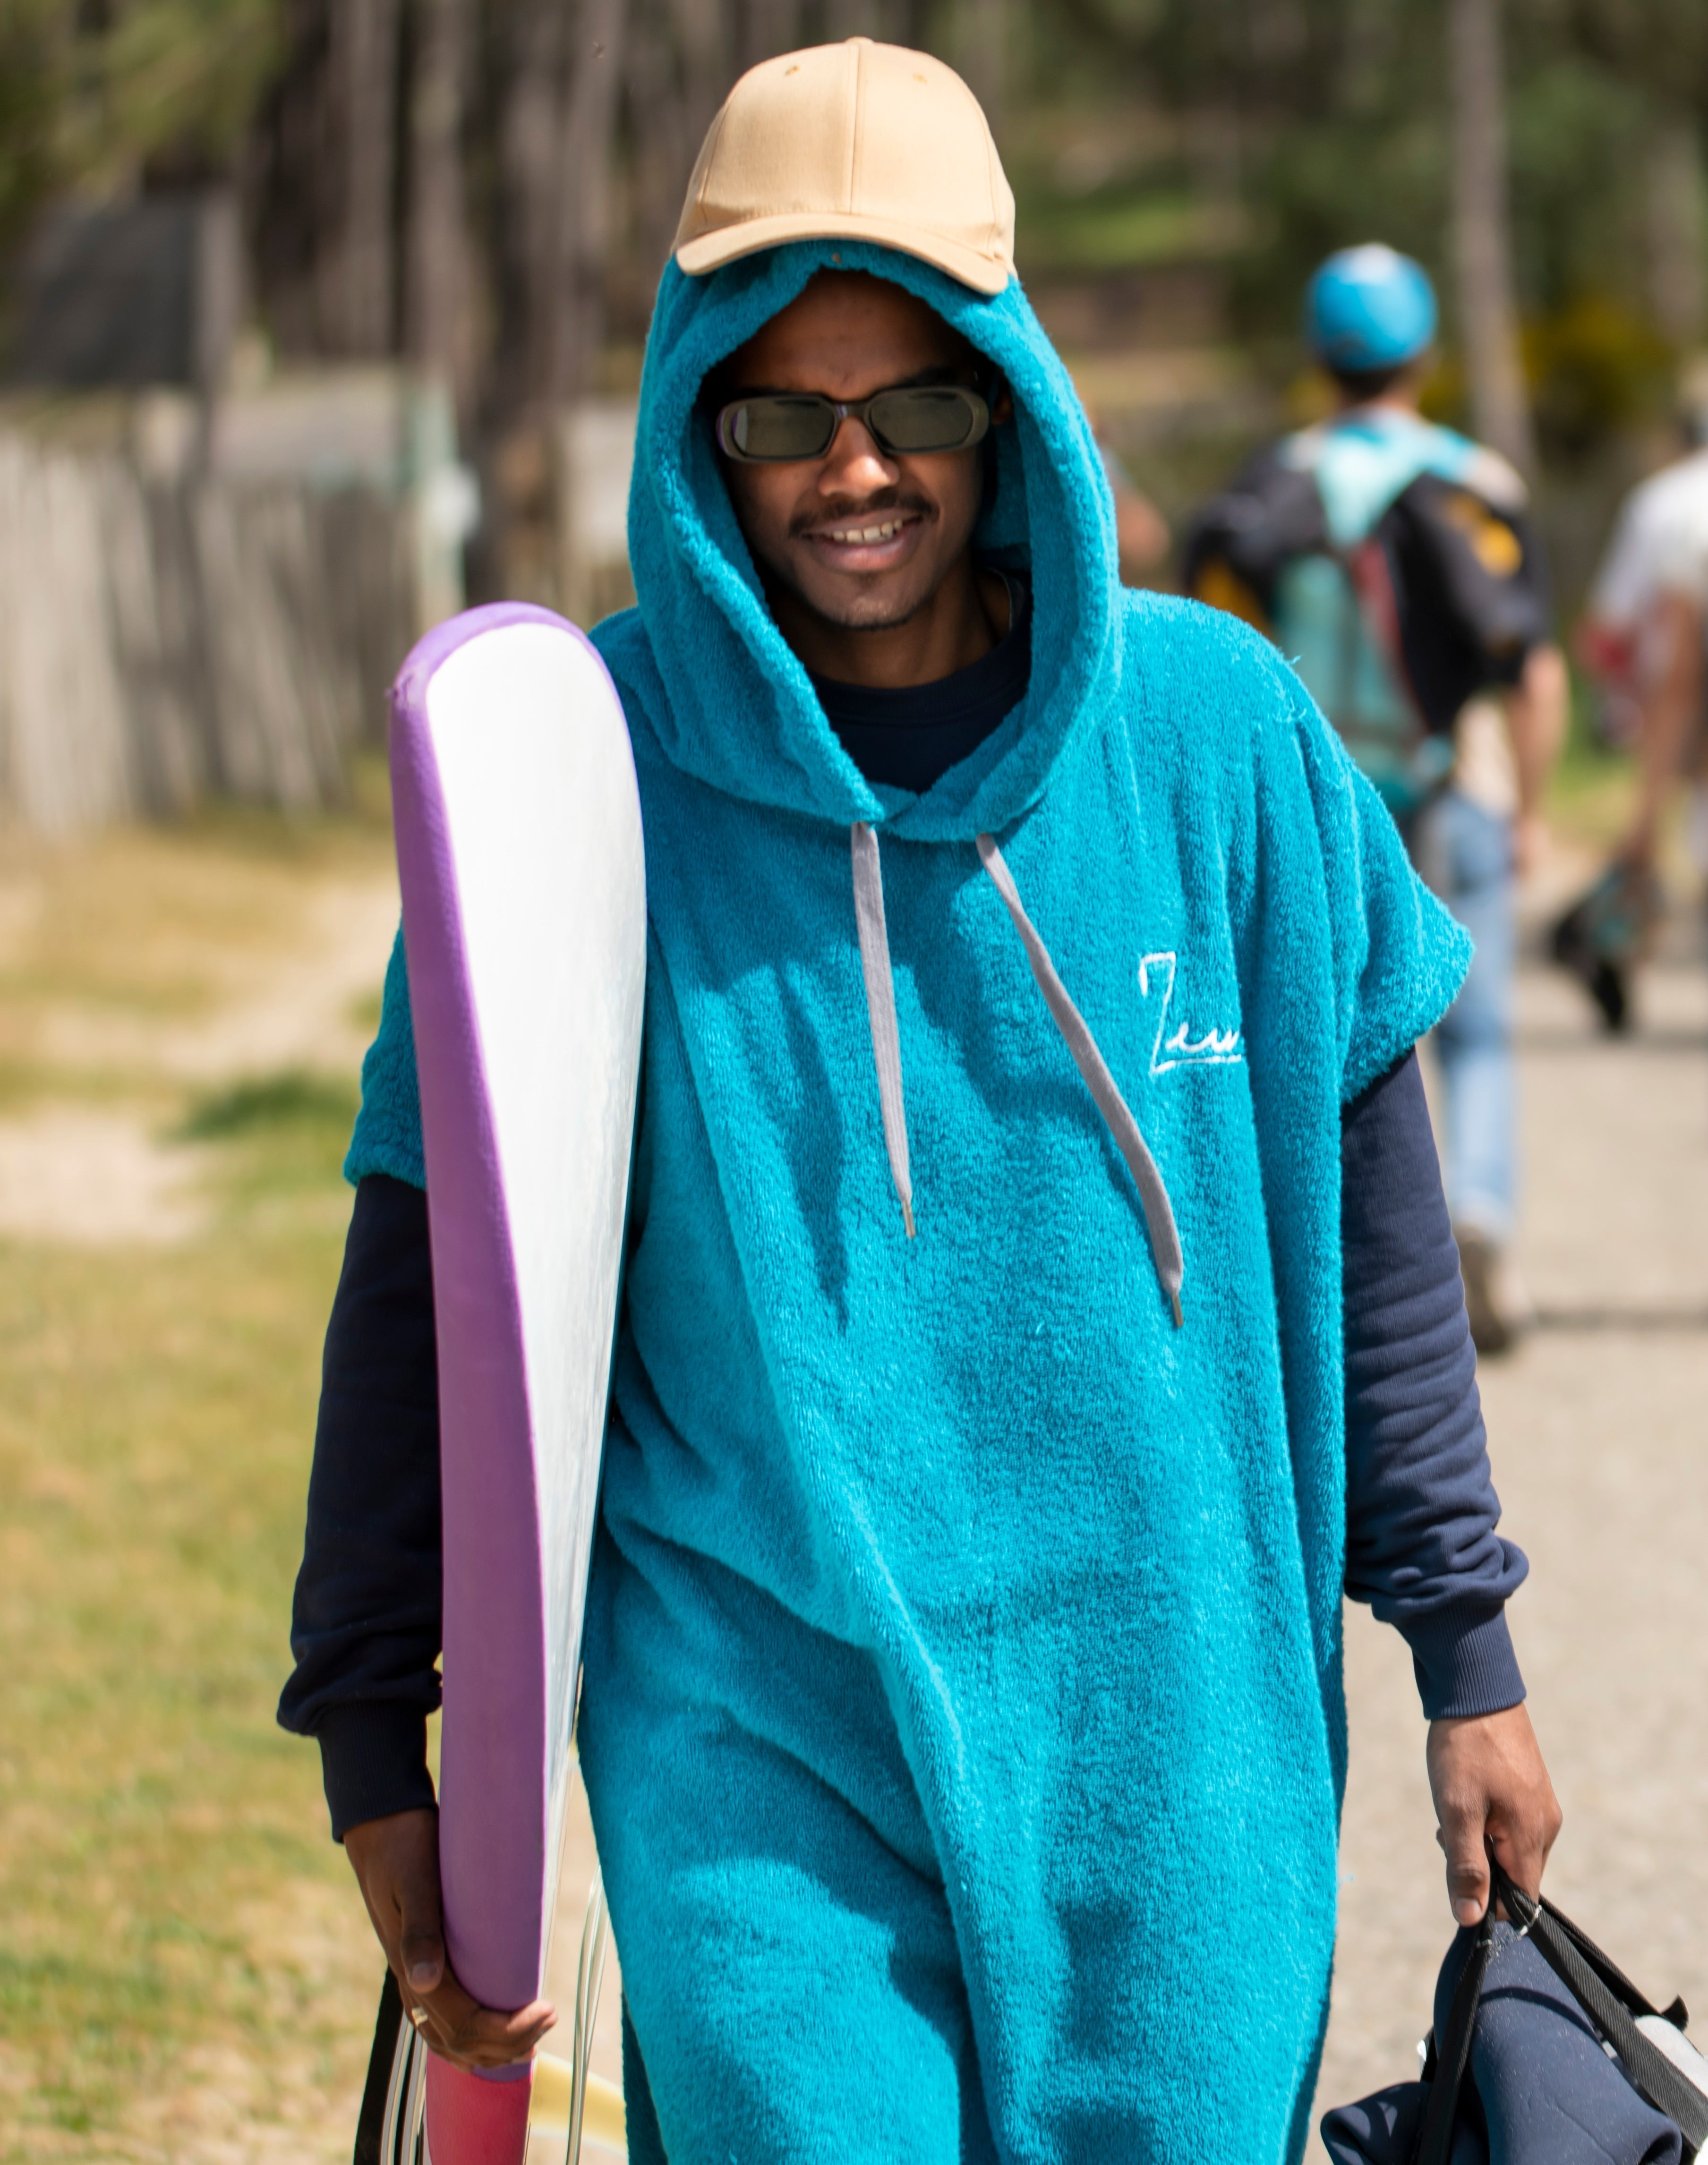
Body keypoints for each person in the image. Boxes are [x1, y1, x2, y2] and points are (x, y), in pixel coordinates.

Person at [280, 47, 1559, 2161]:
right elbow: (434, 1257)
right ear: (699, 419)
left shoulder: (1214, 739)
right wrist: (371, 1731)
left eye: (919, 407)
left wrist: (1467, 1650)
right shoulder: (578, 785)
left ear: (1012, 397)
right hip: (750, 1730)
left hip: (1175, 1725)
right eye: (783, 416)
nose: (851, 473)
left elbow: (1372, 1217)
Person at [1186, 246, 1568, 1355]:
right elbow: (1531, 672)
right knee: (1479, 1033)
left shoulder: (1266, 487)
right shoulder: (1475, 483)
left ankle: (1329, 1277)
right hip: (1458, 787)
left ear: (1318, 358)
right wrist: (1532, 806)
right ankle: (1482, 1211)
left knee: (1322, 1040)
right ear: (1427, 356)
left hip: (1318, 808)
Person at [1566, 410, 1708, 1026]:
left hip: (1678, 715)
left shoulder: (1665, 509)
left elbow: (1619, 640)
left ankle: (1616, 948)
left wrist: (1646, 808)